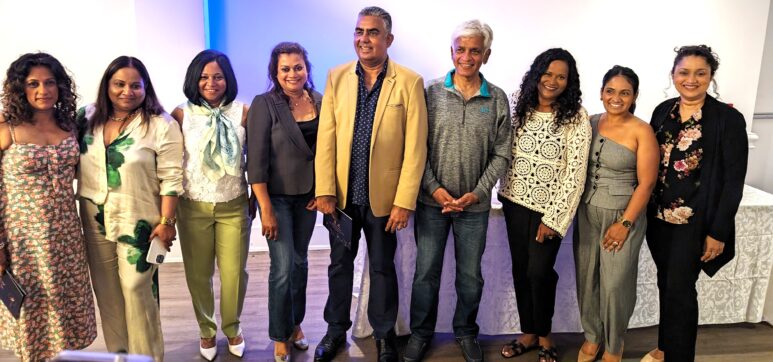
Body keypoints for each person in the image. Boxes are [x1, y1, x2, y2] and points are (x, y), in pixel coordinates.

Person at [313, 6, 428, 362]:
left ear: (388, 39)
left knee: (381, 268)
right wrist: (324, 191)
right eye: (360, 31)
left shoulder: (409, 81)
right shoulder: (337, 76)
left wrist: (404, 201)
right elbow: (327, 138)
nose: (364, 38)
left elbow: (416, 146)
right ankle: (334, 332)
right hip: (343, 198)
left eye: (373, 32)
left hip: (384, 200)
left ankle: (383, 336)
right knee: (338, 266)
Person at [404, 19, 511, 362]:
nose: (467, 57)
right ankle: (420, 334)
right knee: (426, 274)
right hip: (430, 204)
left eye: (475, 50)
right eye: (461, 49)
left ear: (486, 55)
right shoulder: (430, 92)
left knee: (470, 277)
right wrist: (435, 190)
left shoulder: (496, 99)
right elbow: (415, 147)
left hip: (474, 208)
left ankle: (466, 332)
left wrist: (477, 194)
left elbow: (502, 152)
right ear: (451, 52)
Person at [641, 45, 748, 362]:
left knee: (681, 291)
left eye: (700, 73)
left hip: (695, 223)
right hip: (659, 219)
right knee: (666, 284)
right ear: (673, 75)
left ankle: (679, 356)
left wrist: (718, 231)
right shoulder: (663, 111)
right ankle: (664, 348)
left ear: (710, 77)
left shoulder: (727, 119)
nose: (691, 79)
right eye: (684, 72)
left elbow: (733, 183)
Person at [78, 56, 183, 361]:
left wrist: (167, 220)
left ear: (145, 87)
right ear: (107, 86)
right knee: (108, 296)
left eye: (135, 85)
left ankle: (147, 357)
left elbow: (172, 177)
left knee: (138, 289)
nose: (127, 91)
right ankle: (120, 356)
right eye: (119, 84)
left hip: (141, 223)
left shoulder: (161, 124)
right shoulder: (86, 116)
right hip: (93, 218)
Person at [0, 52, 97, 361]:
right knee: (31, 308)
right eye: (33, 83)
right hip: (22, 241)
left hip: (66, 236)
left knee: (63, 308)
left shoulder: (71, 125)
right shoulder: (7, 128)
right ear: (20, 88)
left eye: (50, 82)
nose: (43, 90)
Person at [497, 48, 591, 362]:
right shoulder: (516, 103)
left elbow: (576, 172)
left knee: (539, 271)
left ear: (569, 81)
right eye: (547, 73)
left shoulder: (576, 116)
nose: (552, 81)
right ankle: (528, 332)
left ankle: (545, 334)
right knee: (521, 270)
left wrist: (554, 217)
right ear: (537, 73)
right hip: (513, 201)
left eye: (560, 76)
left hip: (549, 210)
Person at [573, 66, 658, 362]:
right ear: (601, 93)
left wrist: (625, 223)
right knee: (587, 280)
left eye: (624, 92)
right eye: (610, 91)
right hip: (586, 213)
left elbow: (646, 183)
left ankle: (613, 344)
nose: (616, 98)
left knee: (614, 286)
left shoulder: (642, 130)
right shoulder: (590, 122)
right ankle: (592, 337)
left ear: (634, 96)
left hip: (622, 216)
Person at [170, 49, 249, 361]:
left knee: (233, 273)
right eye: (203, 77)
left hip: (233, 204)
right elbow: (172, 163)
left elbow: (255, 160)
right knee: (198, 273)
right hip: (192, 206)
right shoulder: (180, 114)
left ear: (227, 79)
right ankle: (206, 329)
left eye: (217, 76)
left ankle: (232, 327)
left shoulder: (244, 111)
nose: (211, 82)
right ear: (194, 79)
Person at [247, 42, 322, 362]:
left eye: (298, 67)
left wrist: (325, 191)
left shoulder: (321, 101)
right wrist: (264, 207)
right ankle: (279, 335)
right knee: (283, 267)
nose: (292, 74)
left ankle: (295, 325)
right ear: (275, 72)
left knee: (301, 263)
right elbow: (257, 161)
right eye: (285, 69)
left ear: (307, 68)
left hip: (309, 197)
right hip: (275, 198)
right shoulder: (264, 104)